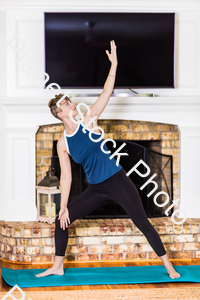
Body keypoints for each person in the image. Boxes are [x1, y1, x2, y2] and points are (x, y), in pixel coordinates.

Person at [36, 40, 181, 279]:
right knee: (61, 219)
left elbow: (106, 92)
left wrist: (113, 64)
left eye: (69, 100)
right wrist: (63, 207)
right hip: (96, 189)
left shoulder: (89, 120)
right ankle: (57, 266)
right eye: (65, 103)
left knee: (143, 223)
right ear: (59, 114)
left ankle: (169, 266)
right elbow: (67, 176)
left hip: (118, 181)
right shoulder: (63, 143)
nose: (71, 103)